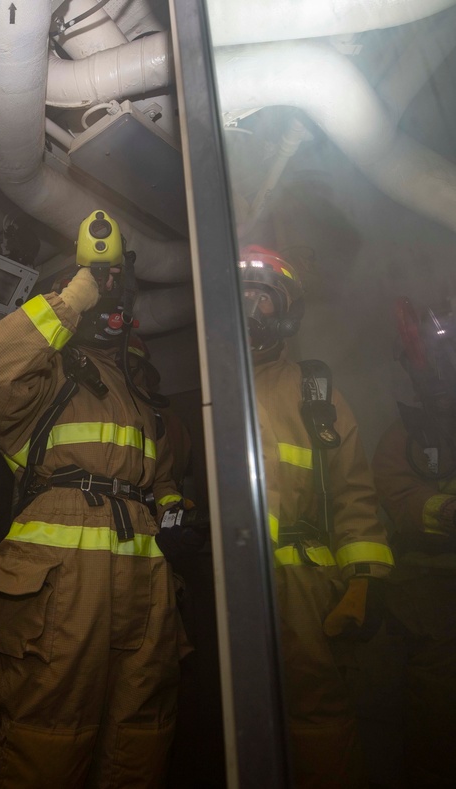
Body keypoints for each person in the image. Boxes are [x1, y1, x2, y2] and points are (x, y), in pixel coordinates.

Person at [0, 213, 189, 788]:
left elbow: (159, 475)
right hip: (62, 584)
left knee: (139, 744)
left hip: (143, 583)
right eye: (100, 287)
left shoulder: (141, 394)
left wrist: (171, 509)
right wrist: (73, 298)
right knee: (46, 742)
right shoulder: (50, 374)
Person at [239, 245, 394, 788]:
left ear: (286, 311)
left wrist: (364, 581)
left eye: (263, 296)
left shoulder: (313, 392)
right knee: (231, 725)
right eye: (241, 294)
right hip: (226, 588)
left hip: (306, 591)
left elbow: (355, 493)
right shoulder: (207, 386)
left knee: (319, 724)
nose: (251, 308)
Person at [371, 296, 456, 786]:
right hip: (431, 599)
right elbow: (398, 495)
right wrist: (445, 511)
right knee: (438, 725)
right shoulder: (402, 435)